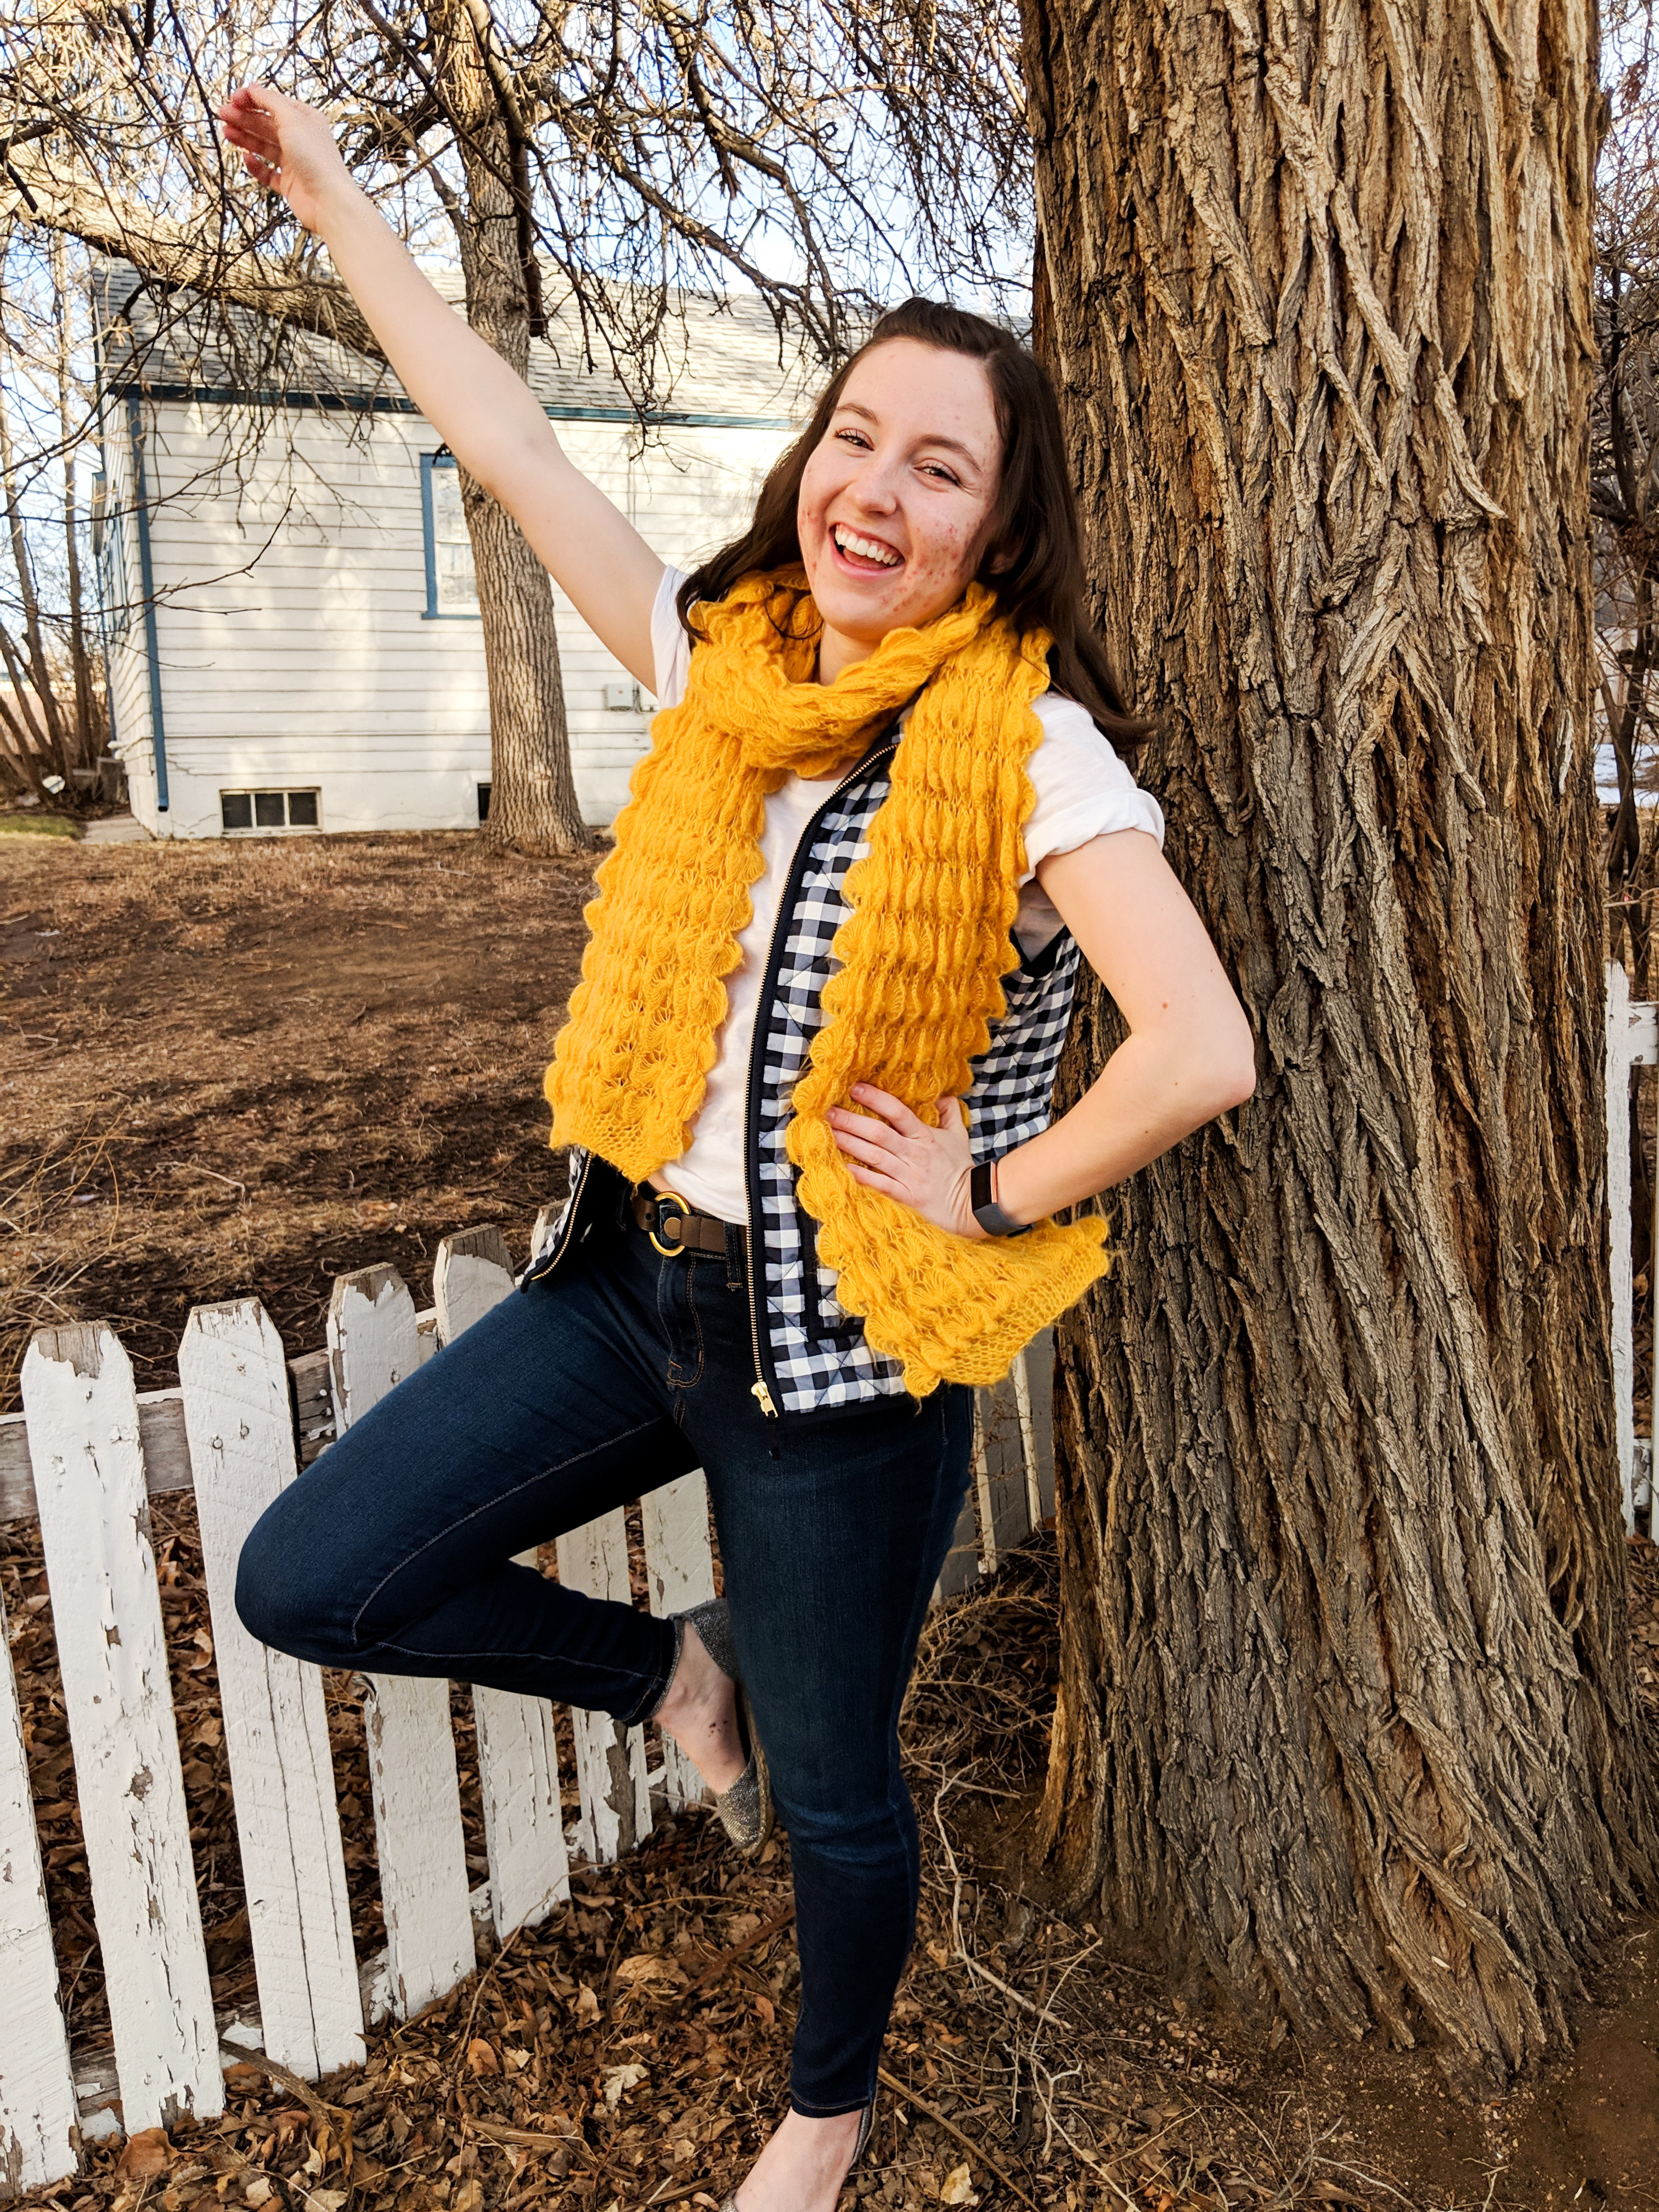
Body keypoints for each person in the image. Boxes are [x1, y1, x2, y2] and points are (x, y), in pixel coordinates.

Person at [219, 80, 1256, 2212]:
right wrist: (330, 197)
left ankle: (828, 2109)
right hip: (637, 1286)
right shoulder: (726, 673)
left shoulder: (1027, 750)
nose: (876, 487)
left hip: (844, 1368)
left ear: (993, 525)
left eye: (937, 465)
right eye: (857, 436)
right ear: (813, 458)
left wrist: (987, 1188)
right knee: (312, 1571)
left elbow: (1201, 1047)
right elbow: (506, 451)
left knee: (843, 1789)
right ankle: (670, 1668)